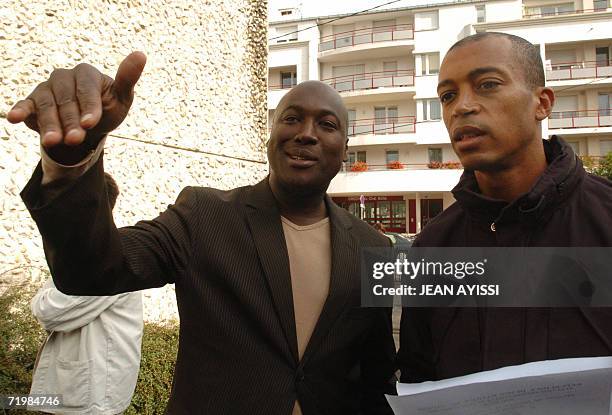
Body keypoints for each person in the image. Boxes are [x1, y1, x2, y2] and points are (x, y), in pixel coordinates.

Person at [9, 53, 396, 414]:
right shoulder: (204, 216)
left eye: (326, 125)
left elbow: (377, 376)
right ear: (270, 136)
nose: (306, 134)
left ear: (345, 149)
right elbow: (91, 270)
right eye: (291, 119)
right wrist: (74, 157)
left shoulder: (372, 247)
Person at [398, 32, 612, 382]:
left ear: (542, 104)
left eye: (487, 85)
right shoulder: (432, 249)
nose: (461, 107)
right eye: (448, 96)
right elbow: (417, 377)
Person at [28, 173, 143, 415]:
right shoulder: (86, 250)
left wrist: (44, 297)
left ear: (90, 205)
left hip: (92, 394)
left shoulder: (109, 255)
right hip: (79, 390)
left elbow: (50, 312)